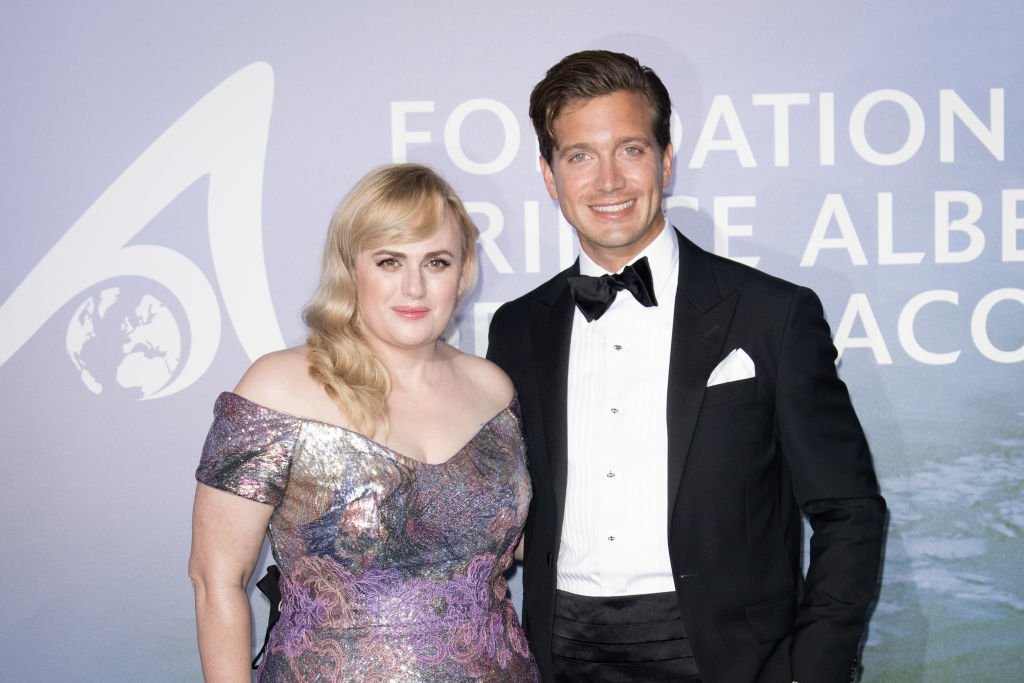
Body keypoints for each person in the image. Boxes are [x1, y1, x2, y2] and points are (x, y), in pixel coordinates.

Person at [486, 50, 886, 682]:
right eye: (580, 156)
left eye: (631, 150)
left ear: (666, 160)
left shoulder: (771, 314)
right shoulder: (516, 328)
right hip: (560, 653)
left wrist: (815, 666)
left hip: (728, 656)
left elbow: (850, 510)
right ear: (548, 174)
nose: (608, 181)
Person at [188, 163, 540, 682]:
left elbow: (522, 543)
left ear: (463, 272)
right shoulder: (278, 388)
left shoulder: (493, 390)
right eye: (390, 261)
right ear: (351, 268)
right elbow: (216, 578)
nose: (415, 287)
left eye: (437, 261)